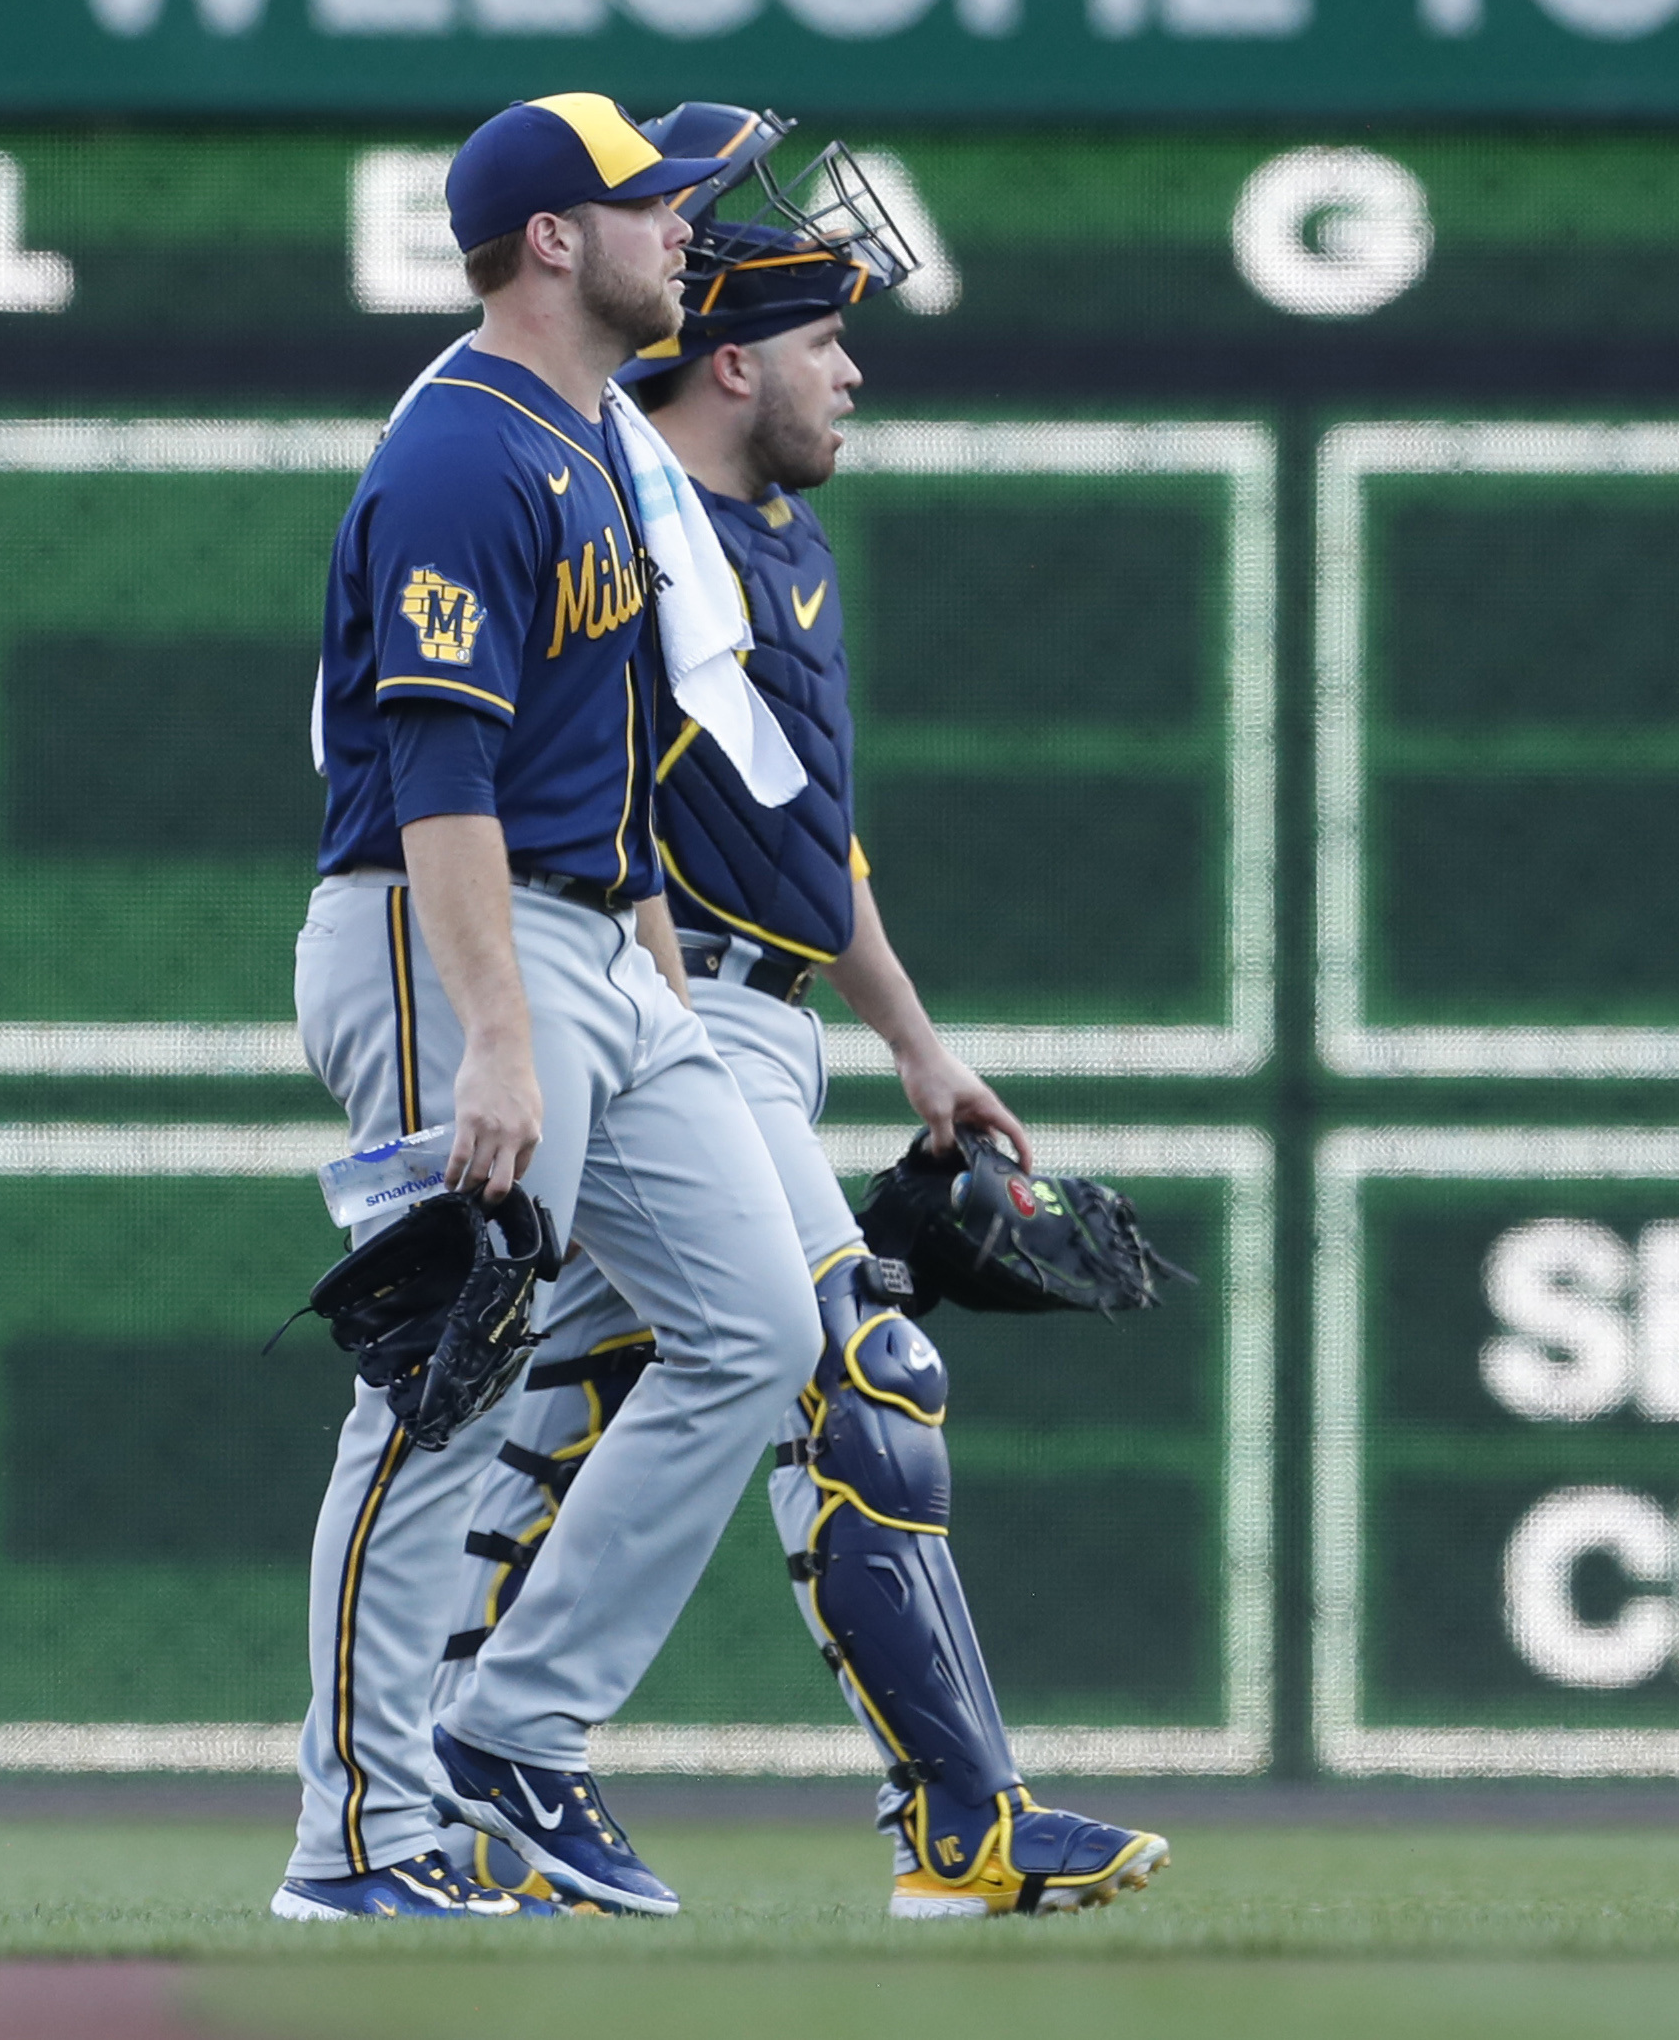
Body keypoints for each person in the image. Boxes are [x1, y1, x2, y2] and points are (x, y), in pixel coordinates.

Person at [435, 105, 1169, 1919]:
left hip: (765, 1017)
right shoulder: (629, 505)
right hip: (649, 993)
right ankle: (956, 1820)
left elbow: (811, 830)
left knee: (581, 1404)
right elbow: (548, 768)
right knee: (856, 1360)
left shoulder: (773, 543)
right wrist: (633, 1005)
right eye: (829, 337)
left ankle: (464, 1793)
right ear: (734, 355)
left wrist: (915, 1042)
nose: (854, 371)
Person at [275, 95, 819, 1921]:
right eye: (652, 199)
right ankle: (358, 1835)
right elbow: (439, 768)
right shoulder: (464, 451)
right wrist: (499, 1032)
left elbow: (594, 757)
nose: (686, 225)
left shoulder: (590, 442)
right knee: (438, 1383)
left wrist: (645, 962)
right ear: (551, 240)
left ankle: (513, 1723)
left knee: (759, 1325)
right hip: (450, 936)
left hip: (596, 941)